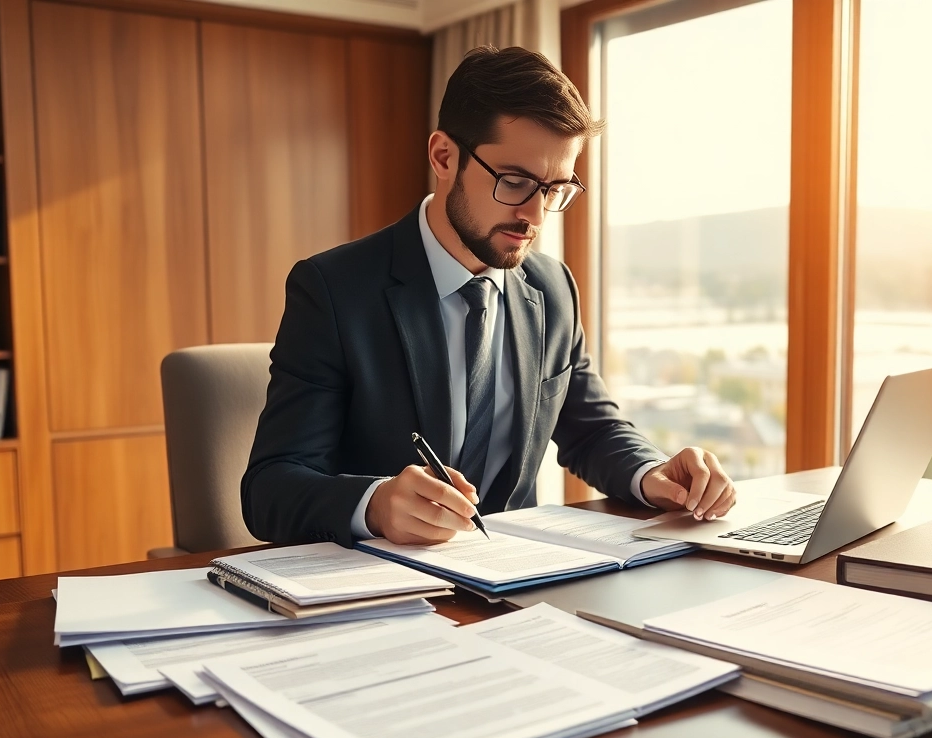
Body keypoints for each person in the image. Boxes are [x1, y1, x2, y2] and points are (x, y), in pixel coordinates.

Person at [241, 45, 737, 546]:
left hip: (518, 576)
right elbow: (270, 488)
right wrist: (374, 505)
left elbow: (591, 428)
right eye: (515, 181)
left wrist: (651, 473)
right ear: (443, 156)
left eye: (555, 189)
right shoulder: (333, 289)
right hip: (382, 587)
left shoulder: (552, 288)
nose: (536, 216)